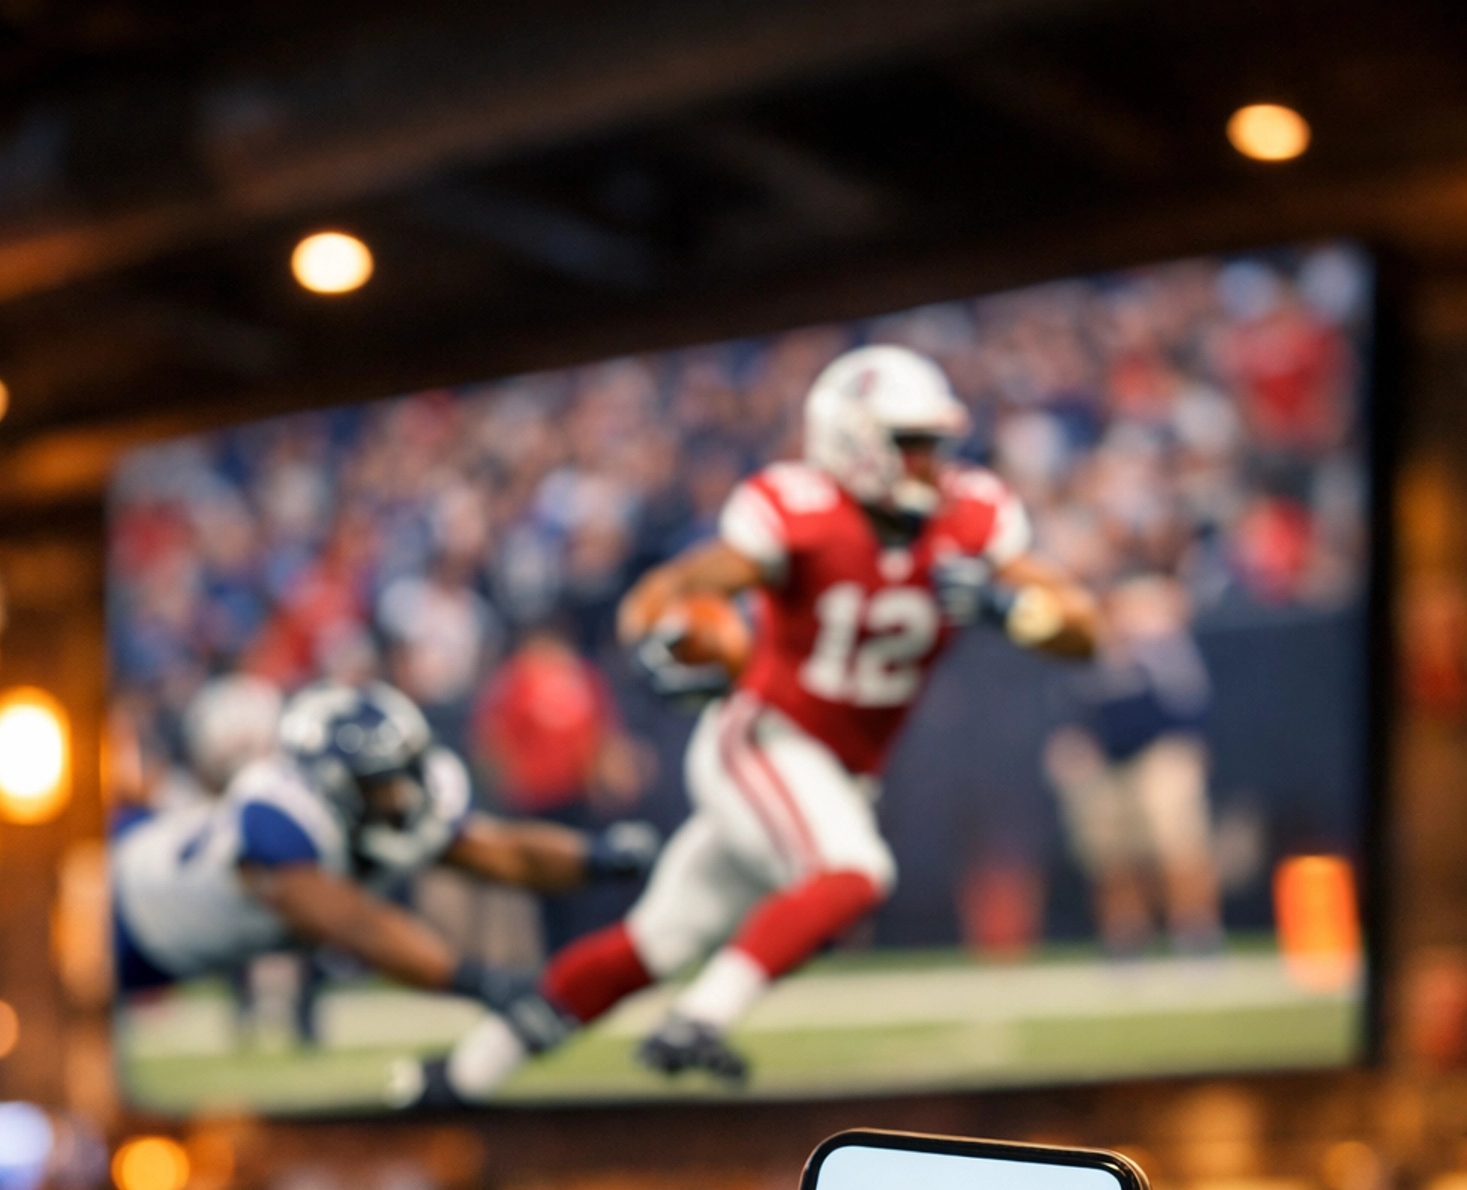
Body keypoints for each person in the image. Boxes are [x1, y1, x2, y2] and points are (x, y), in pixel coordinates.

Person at [427, 345, 1095, 1102]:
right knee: (854, 873)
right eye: (911, 446)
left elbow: (1083, 628)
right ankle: (700, 1020)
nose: (932, 466)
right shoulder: (801, 512)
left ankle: (457, 1075)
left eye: (935, 446)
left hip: (837, 771)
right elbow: (679, 586)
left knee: (653, 943)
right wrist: (656, 634)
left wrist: (1015, 611)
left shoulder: (973, 515)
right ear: (854, 443)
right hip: (766, 737)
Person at [111, 677, 656, 1006]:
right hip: (124, 913)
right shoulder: (279, 818)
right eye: (379, 784)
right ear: (331, 786)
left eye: (403, 773)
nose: (400, 797)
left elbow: (501, 851)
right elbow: (356, 925)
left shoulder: (387, 806)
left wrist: (603, 859)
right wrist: (486, 984)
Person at [1043, 572, 1222, 955]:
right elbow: (1072, 712)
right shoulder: (1088, 654)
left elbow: (1188, 705)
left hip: (1160, 752)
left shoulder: (1161, 648)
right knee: (1109, 854)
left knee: (1177, 843)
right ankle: (1125, 938)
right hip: (1106, 762)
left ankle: (1196, 934)